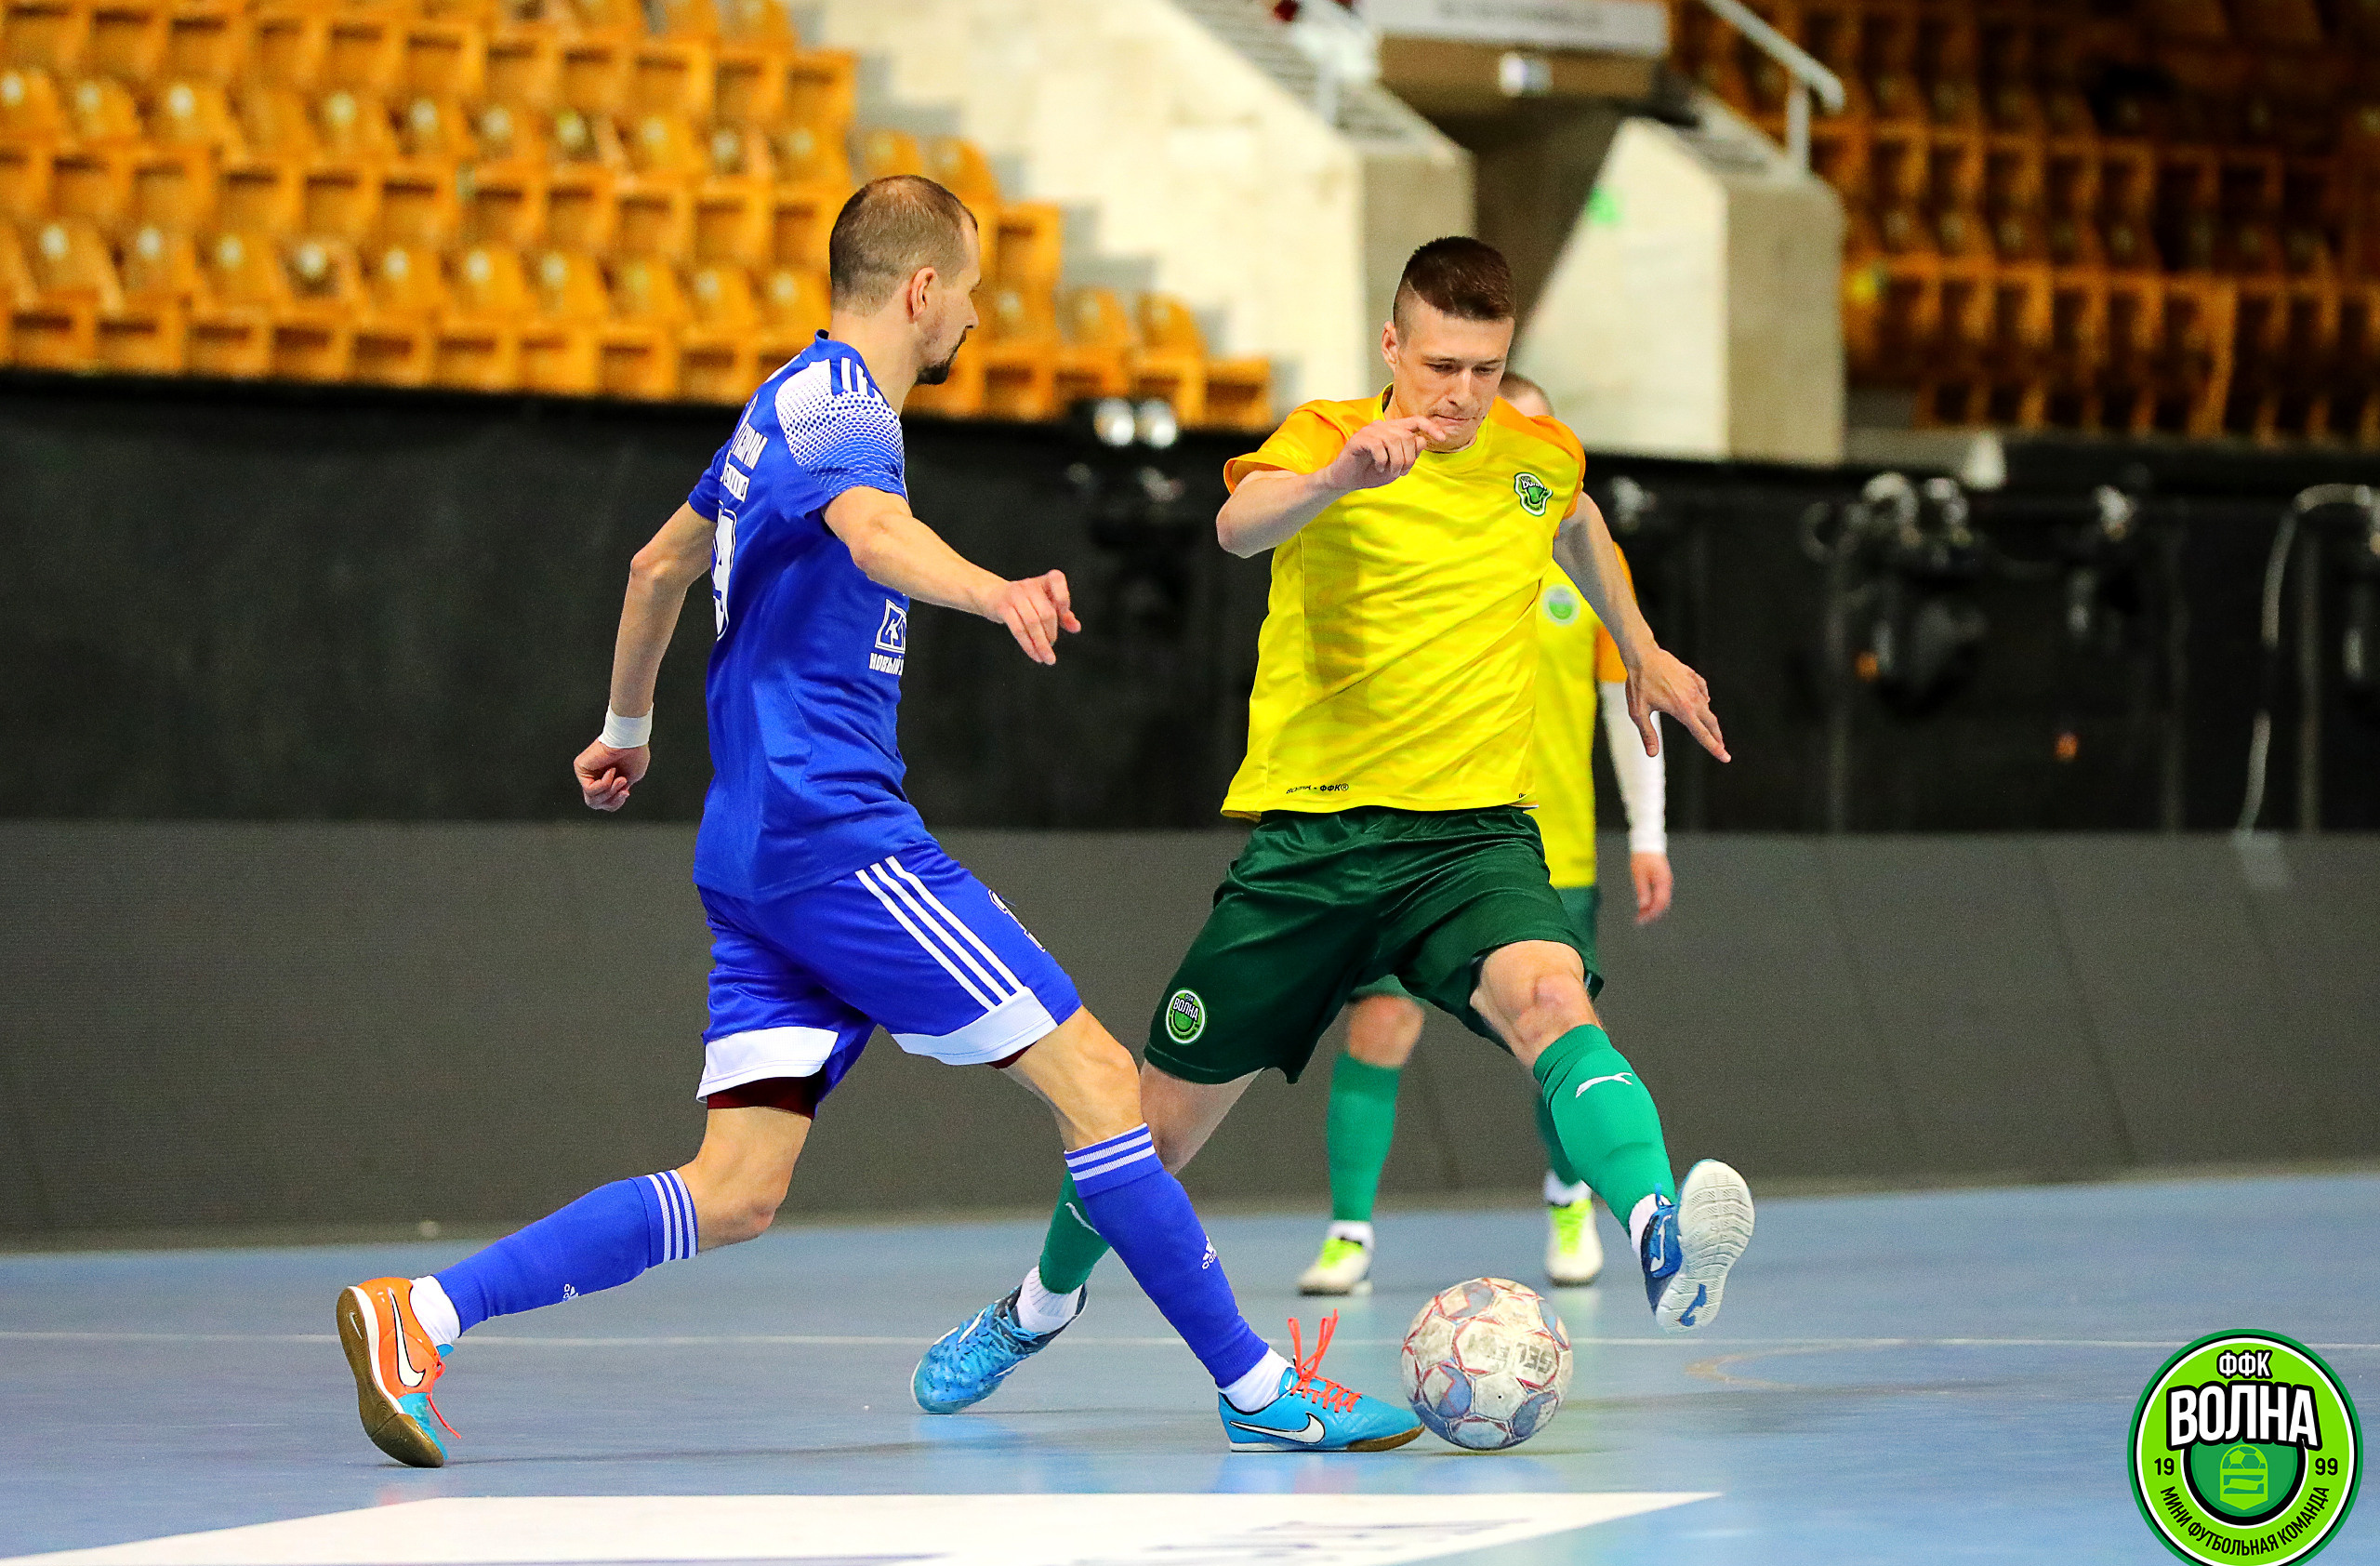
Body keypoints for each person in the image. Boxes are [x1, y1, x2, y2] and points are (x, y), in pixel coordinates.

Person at [333, 175, 1419, 1468]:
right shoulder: (844, 407)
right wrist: (996, 590)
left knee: (736, 1187)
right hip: (835, 838)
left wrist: (628, 728)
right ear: (922, 289)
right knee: (1099, 1082)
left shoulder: (775, 409)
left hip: (752, 853)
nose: (977, 317)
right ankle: (1255, 1385)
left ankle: (422, 1312)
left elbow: (656, 566)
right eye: (972, 291)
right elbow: (874, 535)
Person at [912, 236, 1754, 1419]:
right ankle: (1037, 1307)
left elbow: (1575, 525)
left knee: (1553, 1000)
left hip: (1470, 839)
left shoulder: (1538, 454)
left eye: (1486, 368)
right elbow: (1237, 527)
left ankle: (1659, 1229)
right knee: (1151, 1132)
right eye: (1441, 365)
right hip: (1314, 847)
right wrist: (1339, 478)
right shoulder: (1326, 436)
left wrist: (1643, 646)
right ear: (1392, 345)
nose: (1461, 394)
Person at [1295, 370, 1673, 1298]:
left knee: (1557, 1027)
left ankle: (1571, 1198)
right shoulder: (1424, 545)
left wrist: (1648, 833)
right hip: (1416, 834)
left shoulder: (1587, 567)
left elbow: (1631, 701)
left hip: (1549, 847)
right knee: (1380, 1020)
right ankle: (1349, 1230)